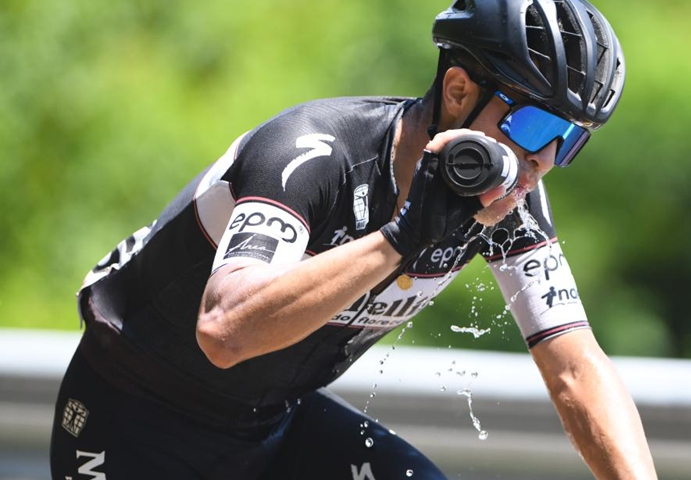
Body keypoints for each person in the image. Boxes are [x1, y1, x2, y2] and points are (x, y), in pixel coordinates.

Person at [51, 0, 658, 478]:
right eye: (534, 124)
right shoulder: (315, 153)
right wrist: (399, 238)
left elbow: (577, 368)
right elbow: (224, 331)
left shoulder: (510, 200)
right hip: (132, 421)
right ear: (457, 91)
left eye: (569, 140)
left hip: (268, 426)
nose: (542, 162)